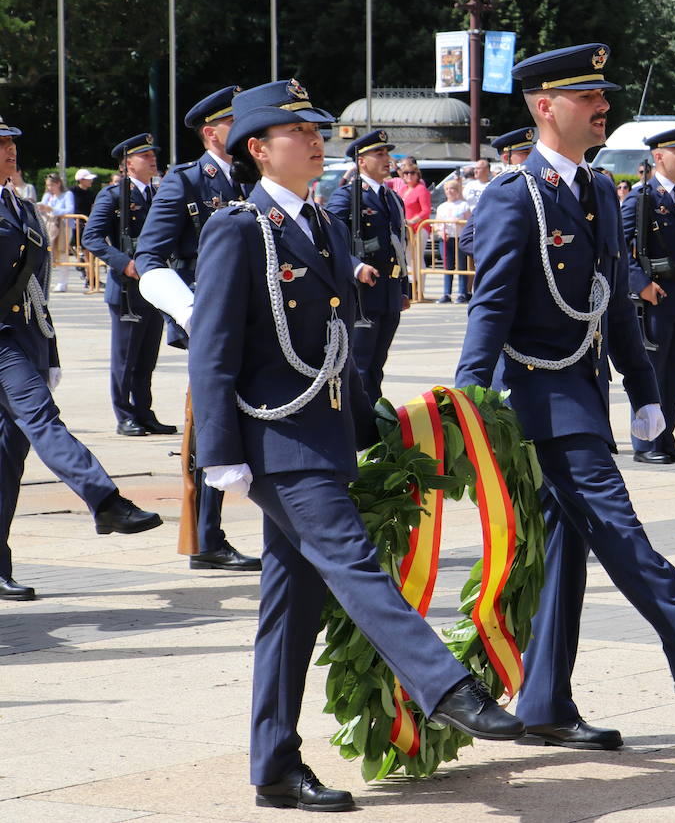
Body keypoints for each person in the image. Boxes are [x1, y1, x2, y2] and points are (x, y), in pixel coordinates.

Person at [193, 80, 523, 811]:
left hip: (324, 437)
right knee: (353, 563)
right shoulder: (238, 228)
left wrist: (380, 426)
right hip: (275, 442)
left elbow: (341, 349)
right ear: (257, 149)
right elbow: (211, 351)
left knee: (289, 613)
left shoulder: (322, 223)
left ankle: (274, 766)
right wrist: (219, 455)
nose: (315, 140)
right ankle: (446, 688)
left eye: (317, 129)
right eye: (297, 131)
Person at [454, 44, 675, 751]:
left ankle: (544, 705)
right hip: (539, 398)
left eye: (603, 96)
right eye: (587, 98)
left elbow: (617, 305)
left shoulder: (601, 191)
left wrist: (644, 390)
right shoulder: (517, 196)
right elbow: (492, 307)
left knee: (566, 551)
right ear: (545, 107)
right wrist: (466, 399)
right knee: (616, 523)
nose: (604, 108)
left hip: (584, 389)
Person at [0, 113, 162, 601]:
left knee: (8, 457)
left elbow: (36, 289)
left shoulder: (19, 205)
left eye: (11, 143)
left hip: (23, 339)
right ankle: (105, 499)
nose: (9, 150)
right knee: (42, 420)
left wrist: (47, 349)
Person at [130, 85, 261, 572]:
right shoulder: (186, 182)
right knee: (210, 429)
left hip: (255, 322)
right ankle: (207, 537)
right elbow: (150, 257)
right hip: (208, 324)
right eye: (235, 122)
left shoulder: (251, 177)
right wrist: (188, 310)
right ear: (212, 133)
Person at [621, 126, 675, 462]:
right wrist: (639, 283)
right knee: (651, 370)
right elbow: (619, 249)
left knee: (674, 371)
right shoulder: (642, 199)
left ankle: (665, 438)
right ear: (658, 157)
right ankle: (646, 443)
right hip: (653, 297)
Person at [83, 134, 172, 436]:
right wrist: (125, 263)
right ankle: (124, 415)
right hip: (126, 289)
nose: (152, 158)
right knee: (125, 359)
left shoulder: (157, 195)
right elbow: (91, 238)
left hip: (154, 285)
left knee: (147, 357)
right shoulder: (113, 196)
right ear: (128, 164)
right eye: (145, 155)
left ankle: (144, 412)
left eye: (152, 154)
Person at [323, 129, 410, 404]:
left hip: (388, 293)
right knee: (358, 364)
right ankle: (356, 422)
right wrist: (355, 266)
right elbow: (329, 240)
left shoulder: (391, 197)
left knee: (376, 364)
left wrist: (404, 288)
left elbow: (399, 245)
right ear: (361, 160)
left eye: (387, 153)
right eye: (379, 153)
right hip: (362, 294)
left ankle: (373, 415)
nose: (387, 158)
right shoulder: (347, 197)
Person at [457, 128, 534, 274]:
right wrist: (502, 258)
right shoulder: (498, 189)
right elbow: (467, 240)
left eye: (532, 152)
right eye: (525, 153)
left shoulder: (534, 185)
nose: (531, 157)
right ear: (506, 158)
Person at [434, 176, 469, 303]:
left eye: (453, 188)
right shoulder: (442, 206)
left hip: (459, 238)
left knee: (461, 266)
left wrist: (460, 222)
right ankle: (446, 293)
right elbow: (437, 223)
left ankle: (462, 293)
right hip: (446, 239)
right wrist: (440, 232)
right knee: (447, 267)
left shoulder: (463, 205)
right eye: (447, 189)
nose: (450, 191)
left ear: (457, 190)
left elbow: (469, 221)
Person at [395, 159, 431, 232]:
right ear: (403, 176)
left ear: (417, 175)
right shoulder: (403, 190)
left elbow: (426, 210)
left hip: (419, 229)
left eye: (412, 173)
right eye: (406, 173)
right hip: (405, 229)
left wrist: (412, 221)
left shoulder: (421, 189)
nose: (409, 175)